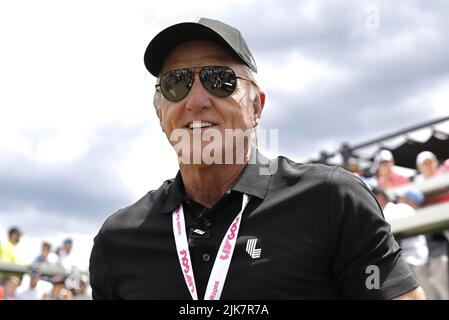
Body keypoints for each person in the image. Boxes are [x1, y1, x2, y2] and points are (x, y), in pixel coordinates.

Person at [89, 18, 424, 300]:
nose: (196, 100)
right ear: (161, 115)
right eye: (176, 83)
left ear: (255, 107)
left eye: (219, 80)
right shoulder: (117, 239)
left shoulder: (331, 201)